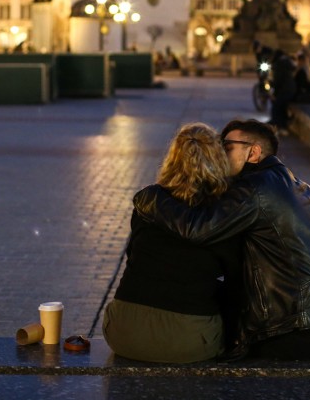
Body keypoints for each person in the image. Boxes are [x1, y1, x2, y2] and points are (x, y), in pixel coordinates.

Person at [134, 119, 310, 361]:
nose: (219, 153)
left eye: (227, 146)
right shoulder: (307, 190)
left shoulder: (254, 188)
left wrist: (152, 198)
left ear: (253, 152)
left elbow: (197, 228)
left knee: (207, 332)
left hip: (299, 331)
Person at [102, 123, 242, 363]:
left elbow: (133, 255)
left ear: (173, 158)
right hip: (188, 339)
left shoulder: (151, 200)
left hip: (123, 330)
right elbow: (235, 277)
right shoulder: (222, 211)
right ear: (218, 159)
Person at [269, 49, 296, 133]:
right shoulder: (288, 62)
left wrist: (274, 92)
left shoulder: (278, 65)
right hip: (291, 89)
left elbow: (278, 81)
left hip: (284, 91)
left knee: (276, 106)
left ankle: (279, 126)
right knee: (280, 105)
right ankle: (281, 125)